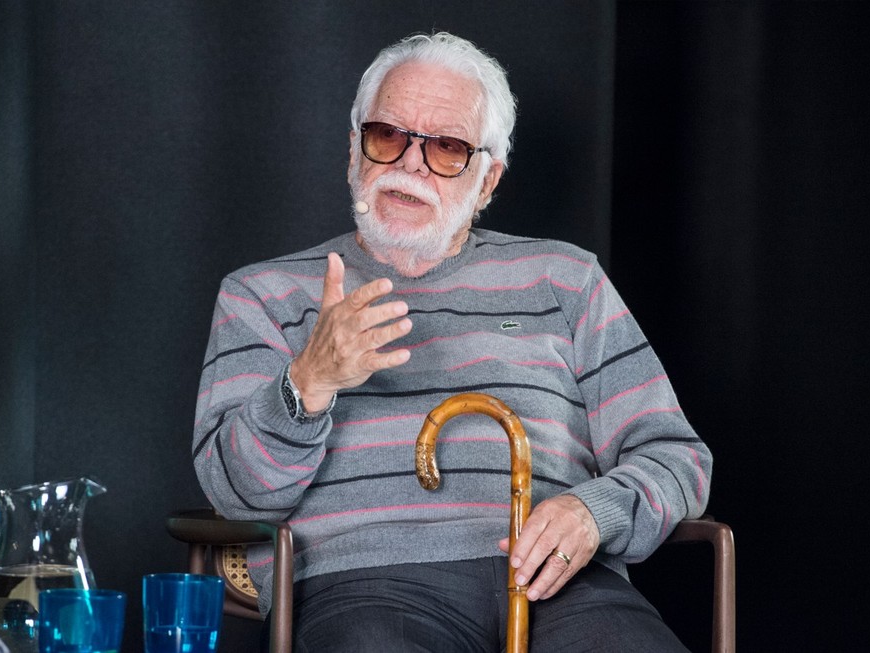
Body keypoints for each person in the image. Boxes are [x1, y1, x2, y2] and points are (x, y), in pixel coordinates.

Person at [193, 32, 712, 652]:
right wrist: (308, 382)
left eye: (446, 147)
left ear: (488, 180)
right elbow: (234, 492)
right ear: (353, 152)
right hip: (365, 588)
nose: (410, 164)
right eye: (388, 136)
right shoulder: (262, 294)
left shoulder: (565, 278)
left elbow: (677, 456)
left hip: (565, 586)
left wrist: (594, 512)